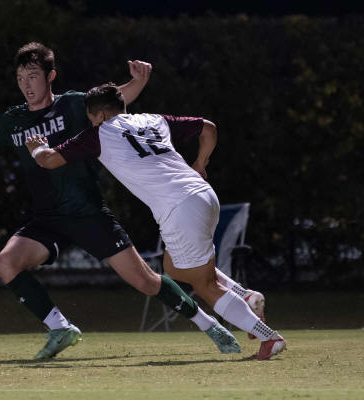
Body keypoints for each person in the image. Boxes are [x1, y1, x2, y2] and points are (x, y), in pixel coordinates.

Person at [0, 42, 240, 359]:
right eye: (20, 78)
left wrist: (138, 82)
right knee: (5, 263)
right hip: (47, 219)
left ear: (50, 76)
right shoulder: (13, 121)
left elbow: (115, 101)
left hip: (88, 213)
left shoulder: (73, 105)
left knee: (145, 281)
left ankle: (209, 324)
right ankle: (60, 328)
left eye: (32, 76)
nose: (26, 85)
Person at [25, 83, 286, 360]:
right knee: (173, 267)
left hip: (179, 207)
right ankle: (245, 295)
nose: (92, 123)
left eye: (91, 118)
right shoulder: (153, 119)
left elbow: (49, 160)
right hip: (204, 195)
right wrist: (200, 164)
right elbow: (208, 128)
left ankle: (268, 337)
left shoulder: (99, 133)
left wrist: (36, 149)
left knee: (204, 285)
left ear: (99, 115)